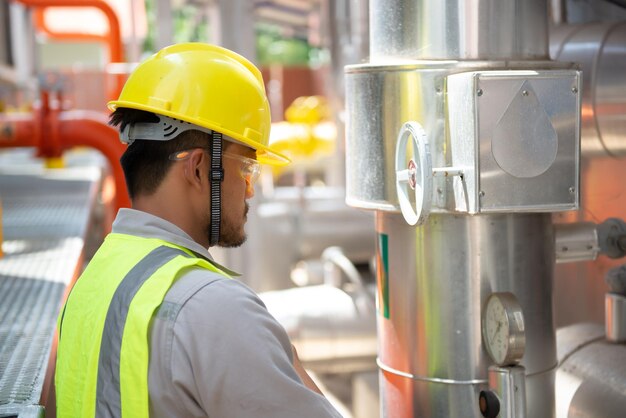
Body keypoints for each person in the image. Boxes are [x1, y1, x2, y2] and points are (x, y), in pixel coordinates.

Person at [55, 43, 342, 418]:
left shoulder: (94, 280)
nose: (250, 188)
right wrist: (287, 364)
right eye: (246, 169)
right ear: (198, 168)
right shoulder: (216, 311)